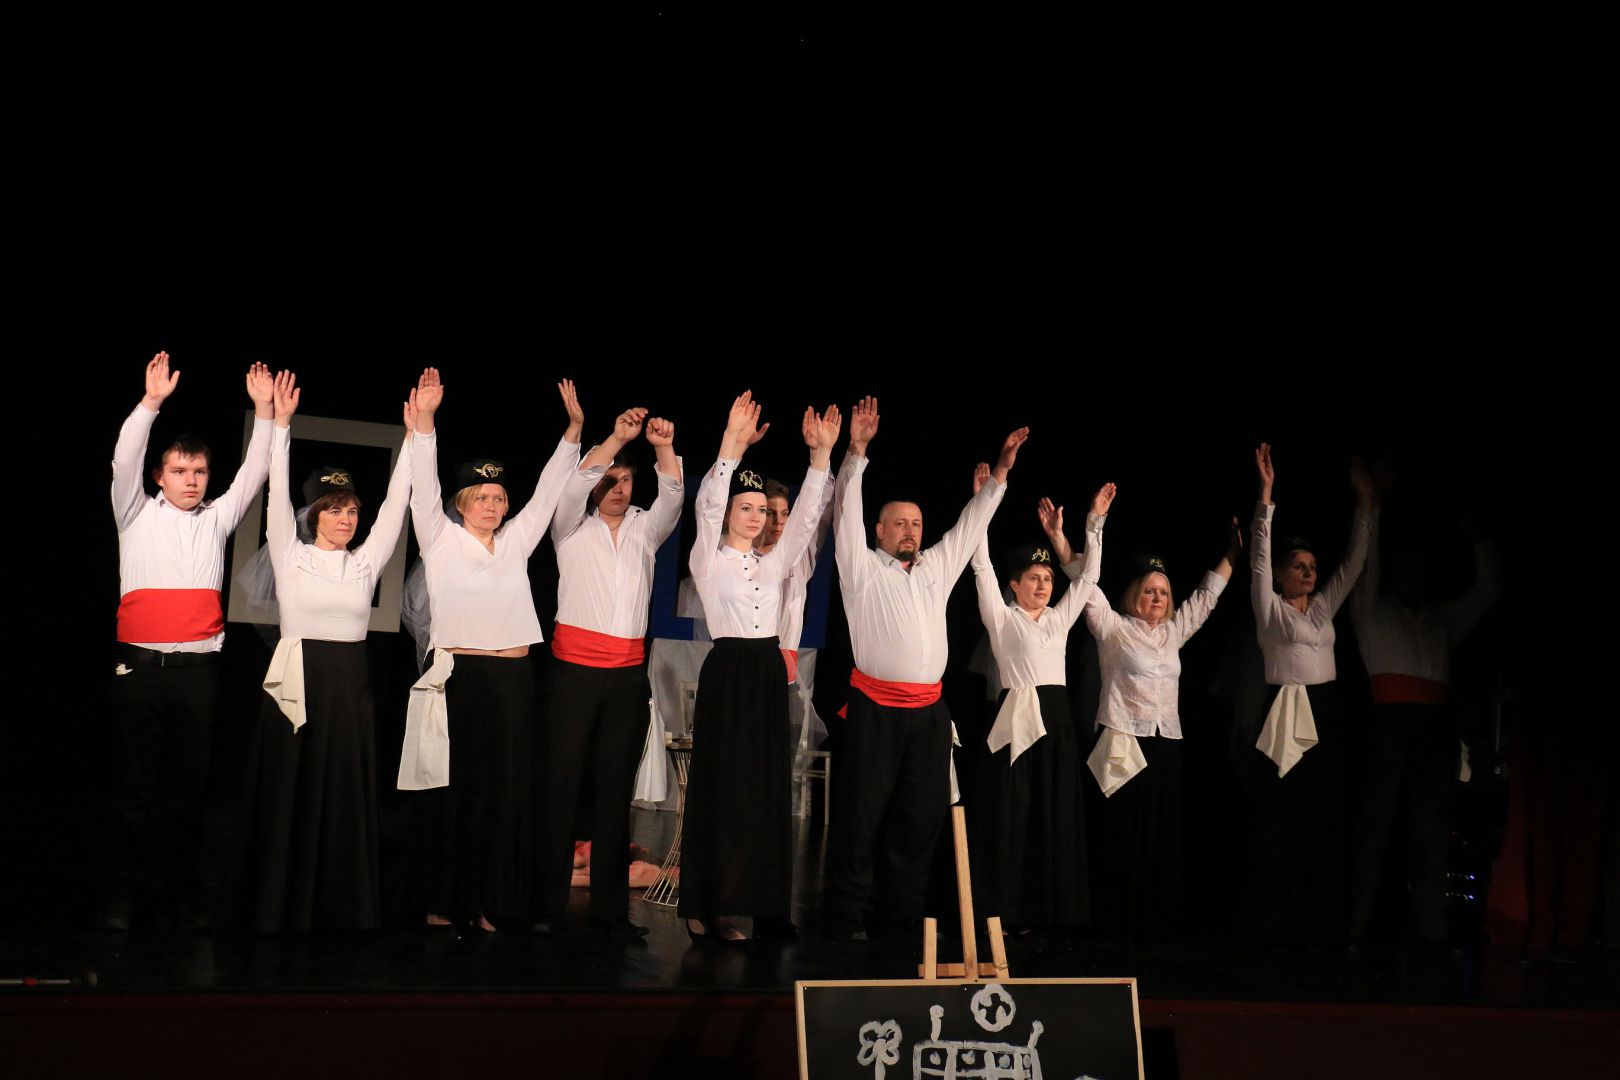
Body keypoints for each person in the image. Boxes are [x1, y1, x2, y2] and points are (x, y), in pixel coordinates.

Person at [825, 395, 1028, 939]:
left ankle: (901, 915)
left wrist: (1001, 472)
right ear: (880, 532)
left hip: (928, 715)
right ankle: (847, 915)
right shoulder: (862, 568)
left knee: (919, 818)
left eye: (915, 523)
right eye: (899, 524)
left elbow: (970, 526)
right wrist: (857, 452)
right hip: (874, 709)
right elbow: (845, 516)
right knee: (862, 814)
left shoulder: (936, 566)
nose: (910, 531)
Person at [402, 367, 581, 933]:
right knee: (453, 787)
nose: (492, 505)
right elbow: (422, 486)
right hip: (458, 675)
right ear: (462, 502)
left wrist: (573, 433)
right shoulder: (439, 537)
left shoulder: (516, 542)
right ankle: (443, 898)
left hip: (512, 678)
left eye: (499, 497)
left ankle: (490, 902)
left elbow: (549, 492)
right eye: (481, 497)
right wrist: (425, 422)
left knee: (505, 791)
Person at [234, 371, 413, 932]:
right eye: (334, 509)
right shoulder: (291, 554)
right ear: (314, 515)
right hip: (300, 681)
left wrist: (416, 437)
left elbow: (396, 505)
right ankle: (278, 903)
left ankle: (341, 907)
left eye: (352, 510)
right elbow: (276, 491)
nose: (346, 519)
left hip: (349, 687)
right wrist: (281, 426)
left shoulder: (365, 562)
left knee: (342, 794)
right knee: (291, 789)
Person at [103, 352, 274, 930]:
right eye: (180, 471)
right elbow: (124, 458)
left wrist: (265, 414)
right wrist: (150, 403)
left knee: (188, 789)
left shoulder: (217, 519)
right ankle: (124, 894)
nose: (192, 480)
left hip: (197, 673)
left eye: (199, 471)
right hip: (140, 669)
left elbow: (254, 473)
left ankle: (178, 894)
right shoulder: (134, 513)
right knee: (133, 786)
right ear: (160, 476)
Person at [680, 393, 839, 942]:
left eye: (762, 510)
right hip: (729, 671)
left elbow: (807, 518)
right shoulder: (708, 558)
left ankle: (764, 908)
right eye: (745, 508)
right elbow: (706, 505)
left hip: (768, 673)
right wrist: (731, 444)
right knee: (722, 788)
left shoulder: (774, 564)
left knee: (766, 791)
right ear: (729, 513)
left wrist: (820, 457)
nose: (756, 517)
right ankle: (707, 907)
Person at [535, 392, 683, 939]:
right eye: (611, 480)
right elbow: (575, 484)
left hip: (624, 678)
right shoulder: (571, 525)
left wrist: (662, 448)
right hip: (572, 675)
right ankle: (544, 904)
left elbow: (673, 496)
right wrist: (617, 439)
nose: (619, 489)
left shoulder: (646, 529)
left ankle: (608, 913)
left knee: (615, 792)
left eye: (626, 481)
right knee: (560, 787)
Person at [1079, 485, 1242, 939]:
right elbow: (1085, 585)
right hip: (1122, 738)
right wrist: (1094, 523)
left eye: (1164, 592)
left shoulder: (1174, 632)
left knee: (1158, 834)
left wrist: (1232, 555)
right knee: (1121, 833)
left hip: (1164, 741)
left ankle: (1153, 924)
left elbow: (1207, 596)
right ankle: (1114, 923)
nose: (1157, 598)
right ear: (1134, 593)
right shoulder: (1113, 627)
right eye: (1149, 590)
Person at [1347, 484, 1499, 946]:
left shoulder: (1441, 620)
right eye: (1405, 568)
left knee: (1431, 831)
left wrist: (1481, 537)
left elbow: (1489, 590)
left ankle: (1432, 934)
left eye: (1418, 568)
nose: (1412, 576)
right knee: (1376, 828)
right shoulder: (1372, 611)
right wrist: (1371, 505)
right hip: (1390, 725)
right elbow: (1365, 567)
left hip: (1434, 730)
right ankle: (1355, 929)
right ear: (1396, 574)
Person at [1246, 441, 1376, 946]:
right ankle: (1273, 923)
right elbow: (1259, 559)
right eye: (1299, 566)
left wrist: (1364, 504)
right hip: (1284, 708)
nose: (1309, 572)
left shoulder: (1322, 608)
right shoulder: (1270, 609)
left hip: (1324, 712)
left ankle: (1316, 923)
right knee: (1282, 818)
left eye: (1312, 566)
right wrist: (1266, 495)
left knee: (1322, 817)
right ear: (1282, 575)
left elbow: (1355, 564)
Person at [965, 477, 1100, 933]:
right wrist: (983, 504)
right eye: (1033, 578)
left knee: (1052, 812)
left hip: (1056, 720)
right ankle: (1006, 912)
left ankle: (1050, 911)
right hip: (1016, 720)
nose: (1042, 585)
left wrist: (1094, 524)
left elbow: (1089, 578)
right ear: (1015, 584)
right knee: (1012, 815)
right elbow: (980, 565)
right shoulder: (1002, 620)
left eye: (1047, 579)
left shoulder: (1059, 619)